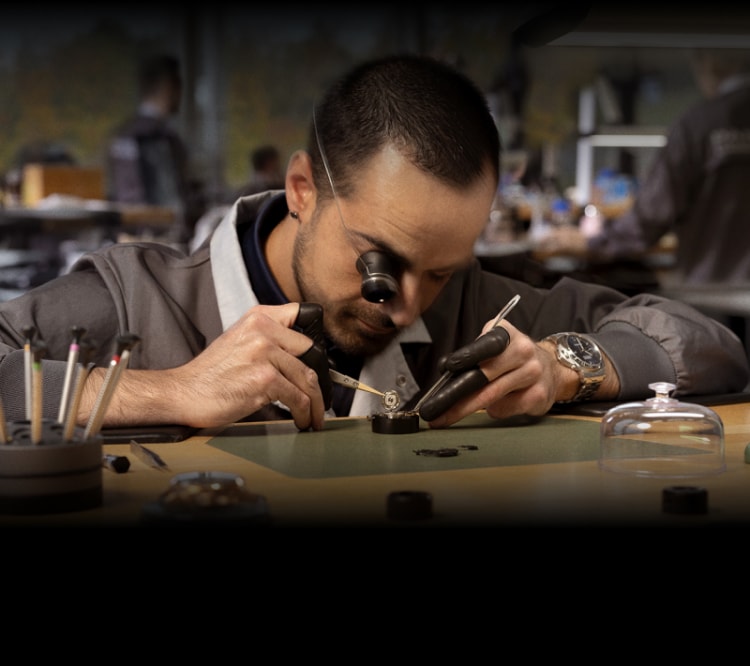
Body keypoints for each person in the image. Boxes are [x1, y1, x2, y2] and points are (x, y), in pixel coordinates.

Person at [0, 54, 747, 434]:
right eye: (381, 261)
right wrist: (167, 390)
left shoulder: (472, 310)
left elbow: (707, 344)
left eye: (441, 271)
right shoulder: (141, 298)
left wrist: (565, 366)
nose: (407, 306)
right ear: (303, 189)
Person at [540, 48, 750, 285]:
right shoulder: (698, 124)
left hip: (713, 292)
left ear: (711, 62)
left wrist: (593, 242)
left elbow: (650, 218)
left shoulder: (699, 124)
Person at [105, 53, 204, 243]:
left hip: (134, 239)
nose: (180, 95)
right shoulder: (154, 138)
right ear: (168, 87)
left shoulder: (124, 135)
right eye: (178, 87)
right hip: (154, 240)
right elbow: (159, 200)